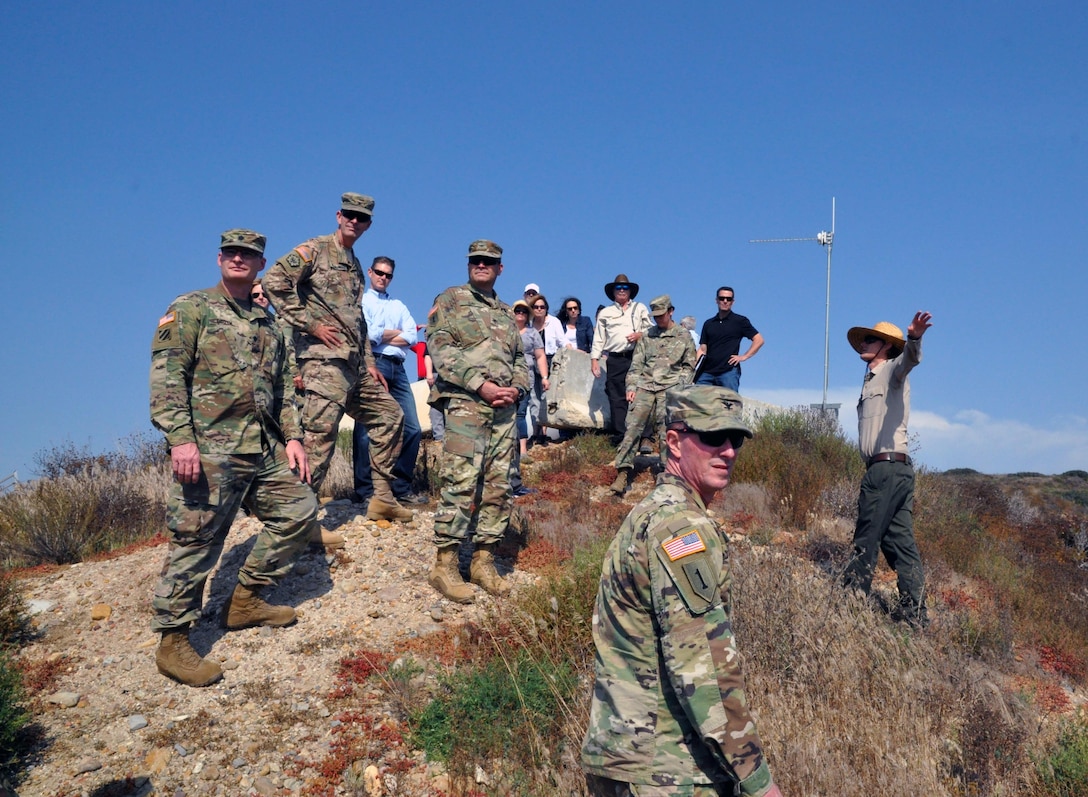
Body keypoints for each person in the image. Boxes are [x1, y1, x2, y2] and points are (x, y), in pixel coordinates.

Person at [582, 385, 782, 797]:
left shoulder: (650, 514)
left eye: (736, 439)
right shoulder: (682, 528)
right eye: (712, 437)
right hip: (669, 772)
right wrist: (758, 781)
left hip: (624, 758)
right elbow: (703, 668)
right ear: (673, 442)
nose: (727, 451)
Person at [149, 229, 322, 688]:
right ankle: (172, 642)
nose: (239, 259)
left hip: (262, 448)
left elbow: (284, 387)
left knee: (300, 511)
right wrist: (181, 440)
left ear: (261, 264)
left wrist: (293, 437)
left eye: (249, 255)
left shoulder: (269, 323)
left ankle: (244, 600)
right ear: (220, 258)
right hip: (209, 448)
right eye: (232, 252)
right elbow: (168, 380)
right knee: (196, 542)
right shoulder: (191, 309)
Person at [262, 193, 412, 523]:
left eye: (360, 218)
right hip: (323, 362)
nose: (353, 221)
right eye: (349, 214)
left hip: (355, 365)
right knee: (320, 440)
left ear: (368, 224)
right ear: (338, 215)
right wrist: (310, 324)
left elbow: (357, 319)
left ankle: (383, 498)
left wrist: (371, 363)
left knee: (390, 416)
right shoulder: (314, 249)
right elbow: (274, 281)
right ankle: (299, 521)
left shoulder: (355, 264)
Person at [426, 240, 530, 603]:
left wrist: (516, 388)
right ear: (469, 264)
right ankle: (445, 564)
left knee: (500, 485)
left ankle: (484, 561)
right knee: (461, 480)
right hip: (466, 403)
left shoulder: (505, 312)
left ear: (500, 268)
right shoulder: (451, 299)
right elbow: (439, 347)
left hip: (504, 410)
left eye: (489, 261)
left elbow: (520, 358)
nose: (481, 265)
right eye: (476, 261)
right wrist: (481, 385)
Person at [842, 313, 933, 627]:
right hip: (895, 471)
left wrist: (915, 338)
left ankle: (851, 604)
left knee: (867, 536)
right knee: (900, 544)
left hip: (886, 470)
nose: (864, 343)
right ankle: (915, 615)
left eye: (870, 339)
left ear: (885, 347)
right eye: (865, 338)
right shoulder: (869, 380)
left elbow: (910, 360)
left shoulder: (893, 370)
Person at [352, 256, 427, 506]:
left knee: (412, 427)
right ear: (370, 272)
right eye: (380, 273)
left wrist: (384, 335)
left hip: (398, 368)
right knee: (366, 427)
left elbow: (412, 338)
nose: (383, 278)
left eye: (388, 275)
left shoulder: (398, 305)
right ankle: (364, 490)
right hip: (373, 363)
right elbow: (366, 335)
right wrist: (394, 335)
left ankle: (400, 487)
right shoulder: (361, 300)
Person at [610, 295, 698, 495]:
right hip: (645, 386)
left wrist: (679, 387)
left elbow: (688, 365)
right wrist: (631, 387)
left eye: (662, 315)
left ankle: (669, 472)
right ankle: (623, 473)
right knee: (632, 426)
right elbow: (636, 366)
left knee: (666, 431)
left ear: (671, 311)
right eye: (655, 316)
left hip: (670, 387)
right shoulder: (647, 336)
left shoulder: (683, 336)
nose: (658, 319)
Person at [591, 274, 652, 442]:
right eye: (618, 288)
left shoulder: (640, 308)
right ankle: (621, 435)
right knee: (616, 396)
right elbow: (599, 338)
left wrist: (640, 334)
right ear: (613, 292)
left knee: (640, 395)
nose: (622, 290)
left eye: (625, 288)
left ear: (630, 291)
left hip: (637, 357)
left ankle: (645, 436)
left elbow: (652, 331)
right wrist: (594, 359)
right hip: (615, 359)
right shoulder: (606, 313)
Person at [696, 287, 764, 392]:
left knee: (730, 405)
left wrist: (744, 356)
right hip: (706, 373)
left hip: (728, 372)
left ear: (733, 301)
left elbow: (759, 340)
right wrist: (693, 371)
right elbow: (702, 349)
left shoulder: (740, 321)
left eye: (728, 299)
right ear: (716, 300)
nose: (725, 301)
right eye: (722, 298)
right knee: (698, 404)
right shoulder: (708, 323)